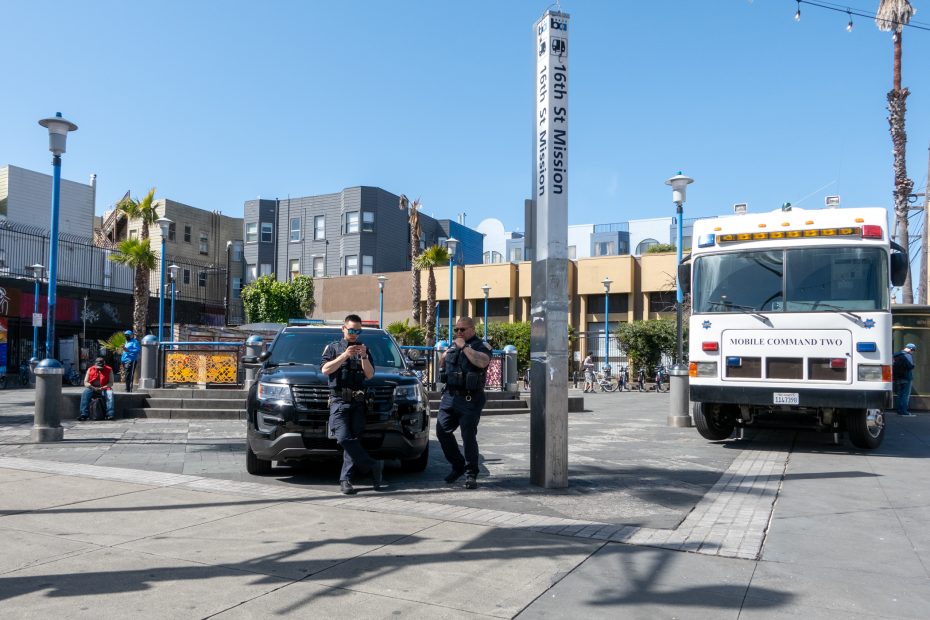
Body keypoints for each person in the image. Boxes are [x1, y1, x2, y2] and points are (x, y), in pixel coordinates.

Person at [321, 314, 384, 495]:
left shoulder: (364, 349)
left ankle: (346, 480)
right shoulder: (333, 348)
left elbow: (370, 375)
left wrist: (364, 357)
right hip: (339, 401)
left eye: (358, 331)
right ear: (343, 329)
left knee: (353, 440)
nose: (354, 334)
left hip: (358, 402)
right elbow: (325, 370)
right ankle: (373, 465)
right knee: (342, 438)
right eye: (351, 330)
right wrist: (344, 355)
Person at [437, 316, 492, 489]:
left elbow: (483, 362)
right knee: (442, 431)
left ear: (472, 330)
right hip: (450, 396)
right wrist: (445, 355)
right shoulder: (454, 345)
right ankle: (458, 465)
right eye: (456, 329)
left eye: (463, 329)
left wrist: (464, 347)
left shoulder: (480, 346)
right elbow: (442, 363)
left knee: (468, 437)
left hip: (470, 398)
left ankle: (471, 474)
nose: (459, 332)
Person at [79, 356, 115, 421]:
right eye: (98, 367)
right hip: (92, 387)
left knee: (110, 394)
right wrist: (92, 387)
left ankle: (110, 414)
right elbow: (85, 382)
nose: (99, 369)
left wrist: (103, 387)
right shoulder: (90, 369)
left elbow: (111, 383)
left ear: (104, 364)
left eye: (101, 367)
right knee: (85, 393)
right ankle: (83, 414)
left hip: (104, 388)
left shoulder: (109, 369)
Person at [893, 343, 918, 417]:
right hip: (906, 377)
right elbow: (910, 366)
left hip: (898, 377)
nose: (913, 352)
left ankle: (899, 411)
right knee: (905, 395)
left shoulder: (896, 355)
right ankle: (904, 411)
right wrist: (913, 365)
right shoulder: (908, 355)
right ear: (911, 349)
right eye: (913, 350)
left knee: (899, 394)